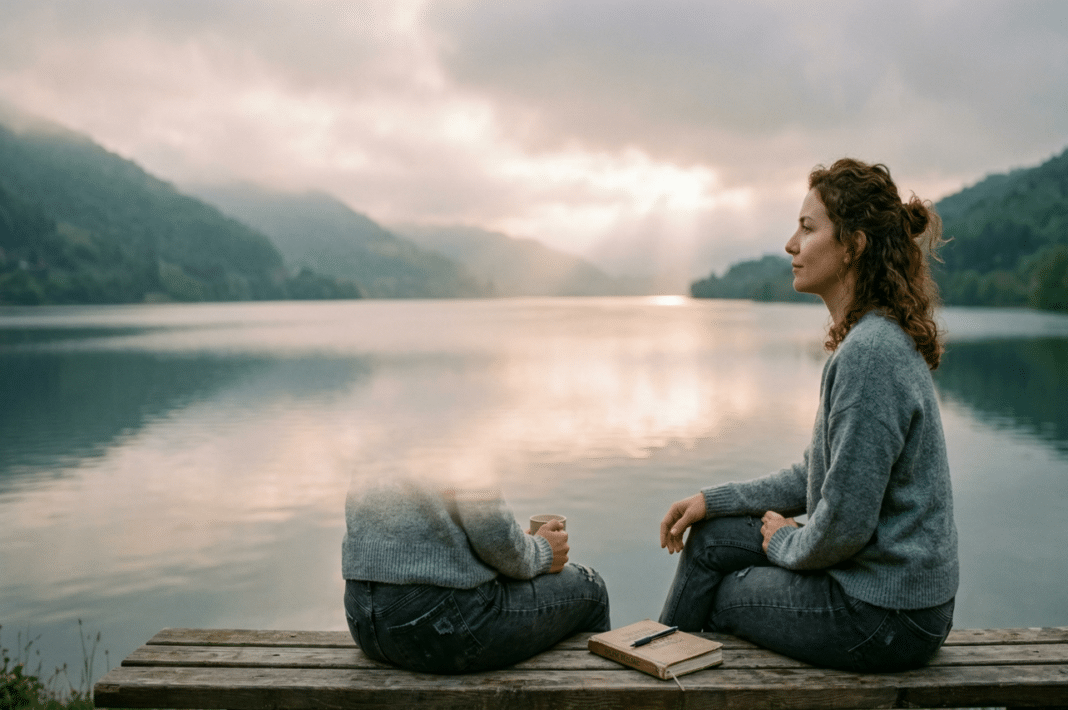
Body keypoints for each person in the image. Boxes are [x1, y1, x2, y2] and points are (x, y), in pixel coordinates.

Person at [658, 158, 958, 672]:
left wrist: (785, 543)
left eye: (808, 227)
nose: (790, 245)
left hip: (886, 615)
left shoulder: (871, 354)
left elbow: (843, 525)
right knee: (709, 540)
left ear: (853, 246)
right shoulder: (870, 341)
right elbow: (815, 475)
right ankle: (661, 670)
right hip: (889, 600)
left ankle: (655, 686)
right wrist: (713, 501)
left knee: (726, 592)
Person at [342, 476, 610, 673]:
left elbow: (421, 539)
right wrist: (541, 552)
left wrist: (518, 546)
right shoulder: (459, 414)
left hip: (363, 622)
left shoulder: (387, 411)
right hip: (440, 628)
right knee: (591, 589)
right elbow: (493, 537)